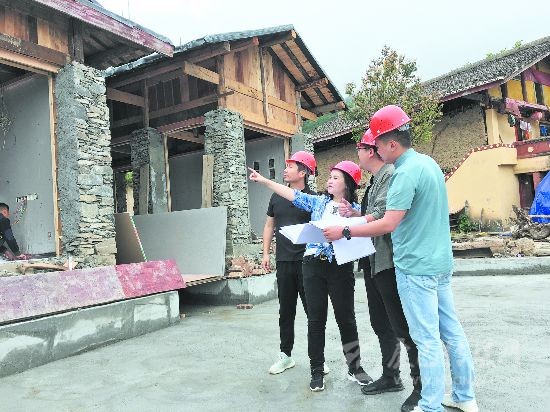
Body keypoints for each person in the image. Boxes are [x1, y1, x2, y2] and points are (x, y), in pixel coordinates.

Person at [323, 105, 478, 412]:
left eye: (378, 145)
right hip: (440, 263)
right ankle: (464, 397)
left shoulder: (403, 174)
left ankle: (430, 405)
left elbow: (388, 223)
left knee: (426, 339)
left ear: (392, 144)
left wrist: (345, 230)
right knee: (452, 333)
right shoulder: (429, 163)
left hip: (416, 267)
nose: (377, 151)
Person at [250, 160, 372, 392]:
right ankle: (316, 370)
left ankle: (355, 367)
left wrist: (356, 214)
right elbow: (291, 194)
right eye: (330, 176)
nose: (330, 180)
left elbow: (372, 223)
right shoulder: (318, 202)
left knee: (346, 319)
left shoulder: (356, 209)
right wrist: (264, 181)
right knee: (316, 320)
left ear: (347, 183)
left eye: (335, 177)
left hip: (341, 267)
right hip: (313, 266)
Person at [264, 151, 328, 376]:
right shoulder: (276, 197)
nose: (285, 170)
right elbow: (269, 226)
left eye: (290, 166)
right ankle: (285, 355)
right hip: (284, 261)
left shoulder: (313, 199)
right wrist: (265, 254)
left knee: (313, 312)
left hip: (307, 263)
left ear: (303, 173)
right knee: (286, 311)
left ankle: (318, 359)